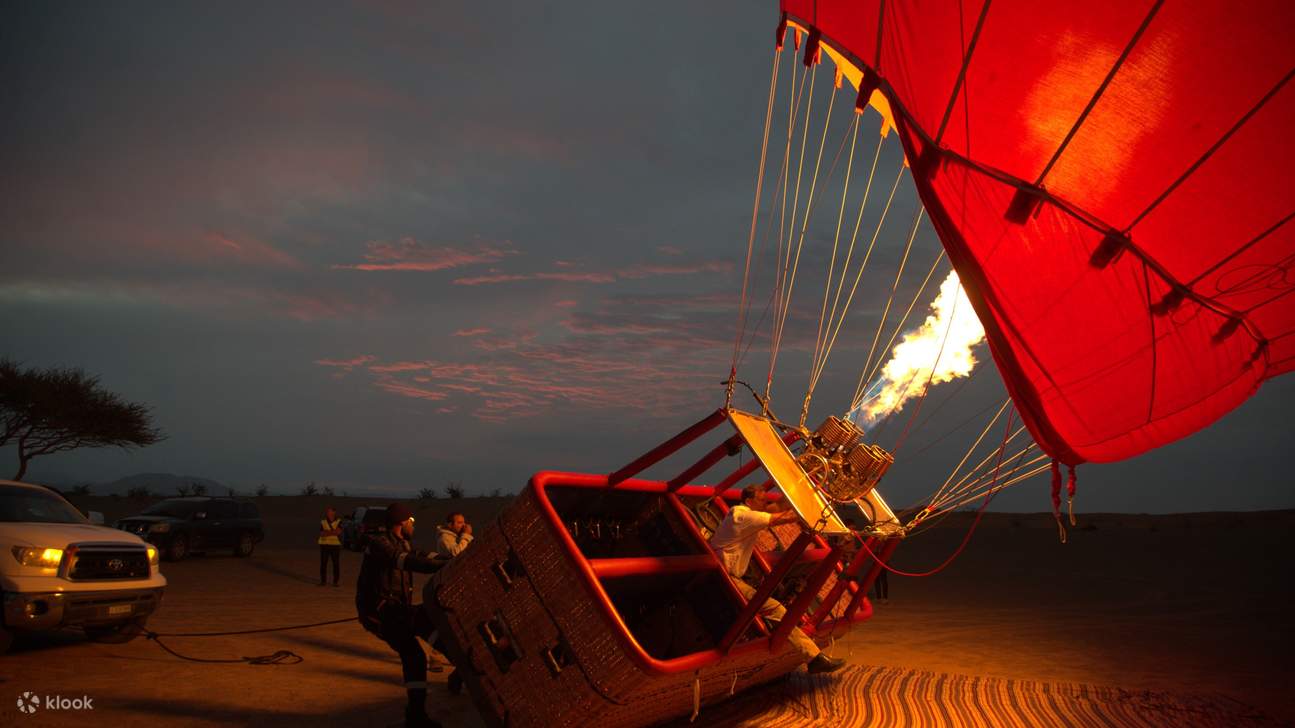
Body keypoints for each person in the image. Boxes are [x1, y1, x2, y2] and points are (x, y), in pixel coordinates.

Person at [709, 483, 845, 674]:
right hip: (725, 578)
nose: (765, 501)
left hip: (729, 577)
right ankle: (813, 658)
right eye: (761, 499)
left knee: (774, 606)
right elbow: (781, 517)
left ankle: (810, 656)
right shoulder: (742, 515)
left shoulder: (748, 514)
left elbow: (779, 507)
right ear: (749, 501)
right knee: (775, 608)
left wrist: (804, 487)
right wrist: (814, 512)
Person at [356, 503, 447, 728]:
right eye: (411, 521)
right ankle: (462, 664)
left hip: (394, 611)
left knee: (414, 655)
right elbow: (406, 560)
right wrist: (436, 567)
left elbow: (422, 554)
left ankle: (416, 715)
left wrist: (448, 560)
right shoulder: (380, 545)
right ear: (401, 523)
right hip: (381, 613)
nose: (413, 525)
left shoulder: (400, 542)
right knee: (423, 620)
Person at [318, 506, 343, 587]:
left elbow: (338, 532)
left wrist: (327, 532)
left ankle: (335, 582)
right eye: (327, 512)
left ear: (333, 512)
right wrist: (333, 532)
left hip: (335, 546)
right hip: (324, 545)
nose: (327, 513)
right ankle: (323, 581)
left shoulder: (339, 521)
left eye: (329, 511)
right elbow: (321, 533)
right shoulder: (323, 521)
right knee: (323, 564)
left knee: (336, 564)